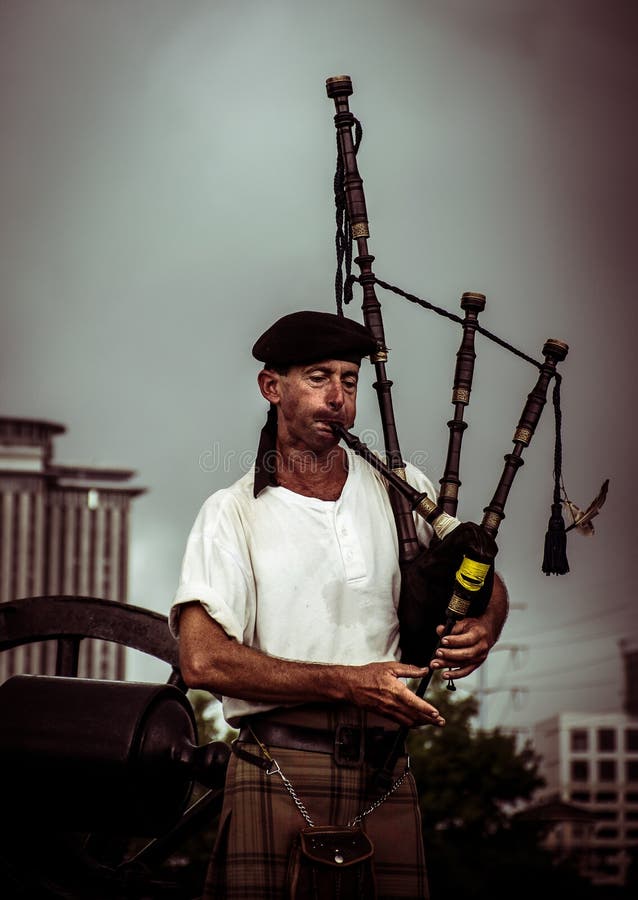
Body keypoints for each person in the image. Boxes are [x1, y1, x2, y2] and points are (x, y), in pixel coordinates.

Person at [170, 309, 508, 899]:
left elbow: (482, 576)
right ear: (271, 388)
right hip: (277, 767)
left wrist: (485, 624)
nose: (339, 399)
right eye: (318, 378)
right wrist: (348, 682)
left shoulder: (405, 492)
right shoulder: (232, 513)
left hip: (385, 772)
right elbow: (202, 660)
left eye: (349, 381)